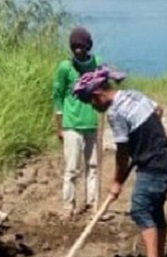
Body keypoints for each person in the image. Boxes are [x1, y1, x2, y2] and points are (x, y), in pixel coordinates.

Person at [73, 67, 167, 257]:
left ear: (98, 95)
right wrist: (144, 138)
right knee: (155, 210)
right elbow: (158, 110)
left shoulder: (115, 113)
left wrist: (116, 181)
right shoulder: (133, 95)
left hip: (153, 165)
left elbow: (122, 154)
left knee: (140, 208)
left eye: (91, 103)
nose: (94, 108)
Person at [53, 27, 103, 219]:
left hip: (92, 122)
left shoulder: (97, 63)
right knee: (71, 168)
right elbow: (57, 97)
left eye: (81, 46)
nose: (77, 50)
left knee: (93, 166)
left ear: (88, 46)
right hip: (71, 123)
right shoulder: (65, 68)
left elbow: (104, 88)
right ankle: (68, 206)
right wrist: (59, 126)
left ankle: (93, 205)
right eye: (74, 47)